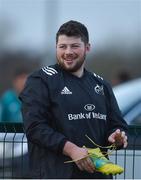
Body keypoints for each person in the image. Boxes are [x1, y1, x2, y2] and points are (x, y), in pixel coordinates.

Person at [19, 20, 128, 179]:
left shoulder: (101, 84)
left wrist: (116, 138)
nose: (68, 51)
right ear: (56, 47)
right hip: (54, 175)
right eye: (62, 46)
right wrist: (71, 149)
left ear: (87, 48)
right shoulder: (40, 80)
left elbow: (117, 125)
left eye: (75, 46)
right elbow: (34, 127)